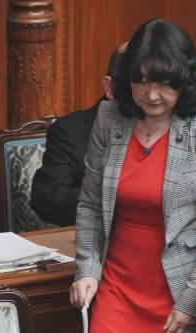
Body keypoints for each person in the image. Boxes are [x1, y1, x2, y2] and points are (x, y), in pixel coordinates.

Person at [69, 19, 196, 333]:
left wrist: (192, 302)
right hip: (118, 288)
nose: (153, 94)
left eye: (164, 82)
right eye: (141, 80)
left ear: (184, 80)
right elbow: (91, 204)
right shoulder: (110, 119)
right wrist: (87, 270)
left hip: (177, 292)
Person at [30, 43, 126, 226]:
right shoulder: (70, 131)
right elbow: (46, 197)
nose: (150, 96)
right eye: (136, 84)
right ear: (110, 87)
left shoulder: (174, 128)